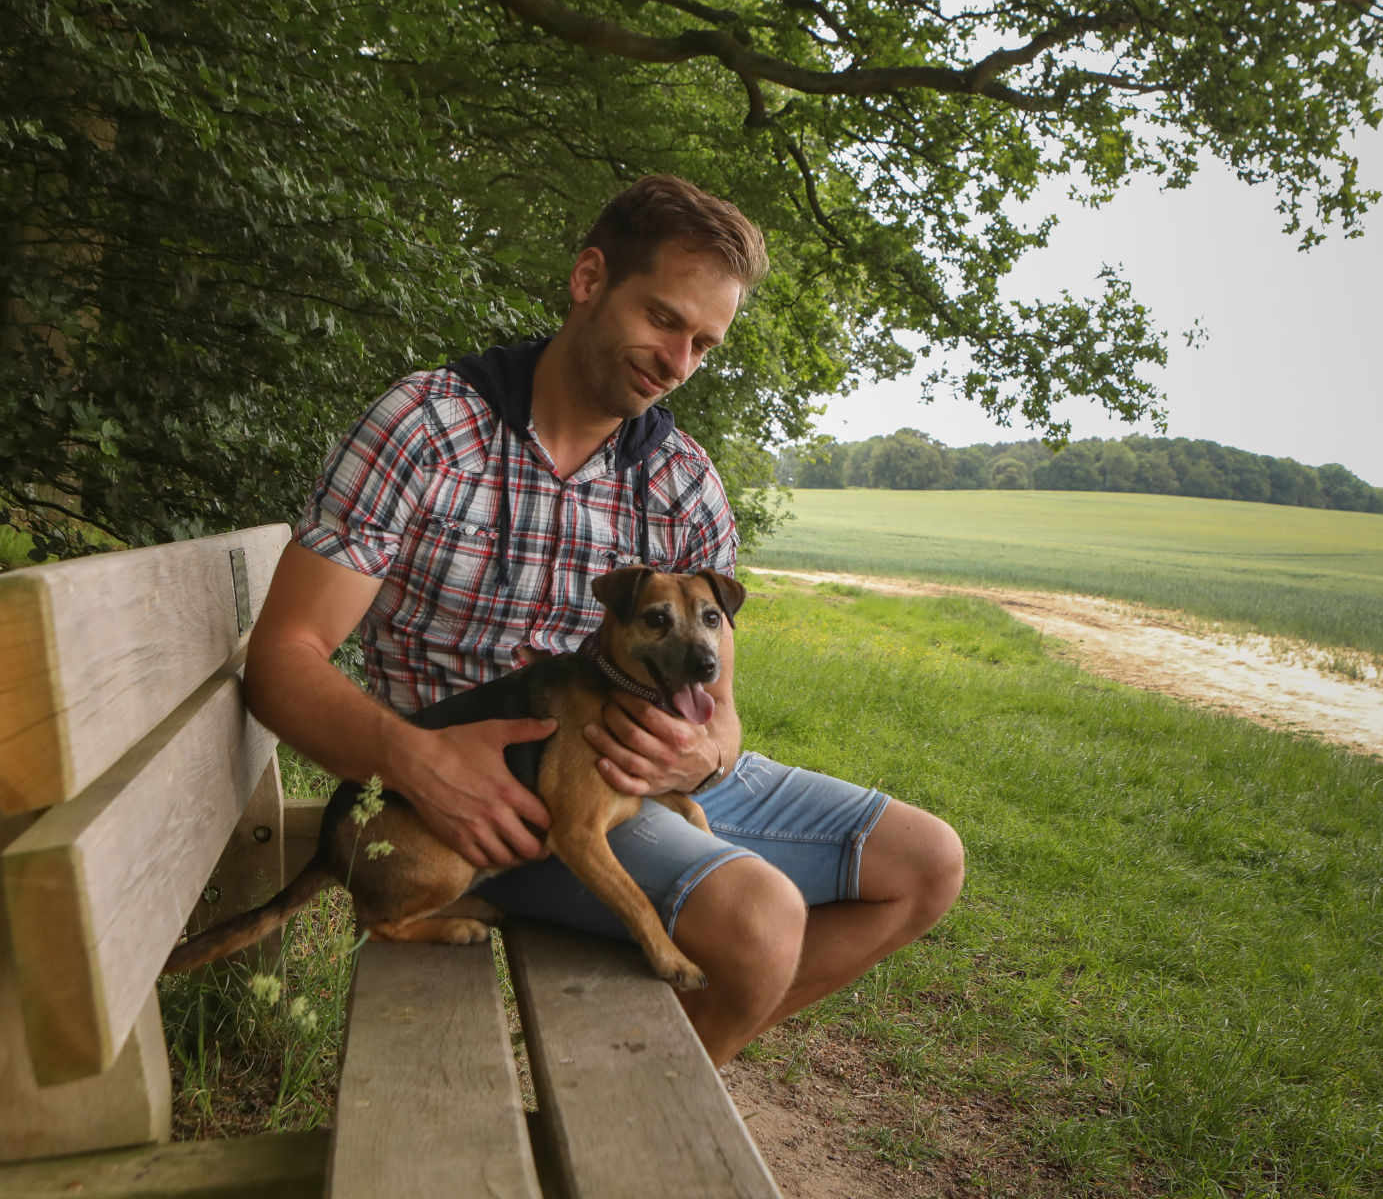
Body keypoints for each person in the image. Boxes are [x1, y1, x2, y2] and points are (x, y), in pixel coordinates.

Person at [243, 174, 964, 1064]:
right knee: (759, 919)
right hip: (499, 797)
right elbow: (283, 657)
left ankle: (662, 1078)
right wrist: (417, 761)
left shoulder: (686, 484)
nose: (679, 362)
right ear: (589, 279)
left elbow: (721, 707)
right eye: (665, 320)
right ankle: (645, 1115)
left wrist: (710, 752)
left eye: (704, 343)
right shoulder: (429, 427)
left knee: (926, 862)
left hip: (654, 772)